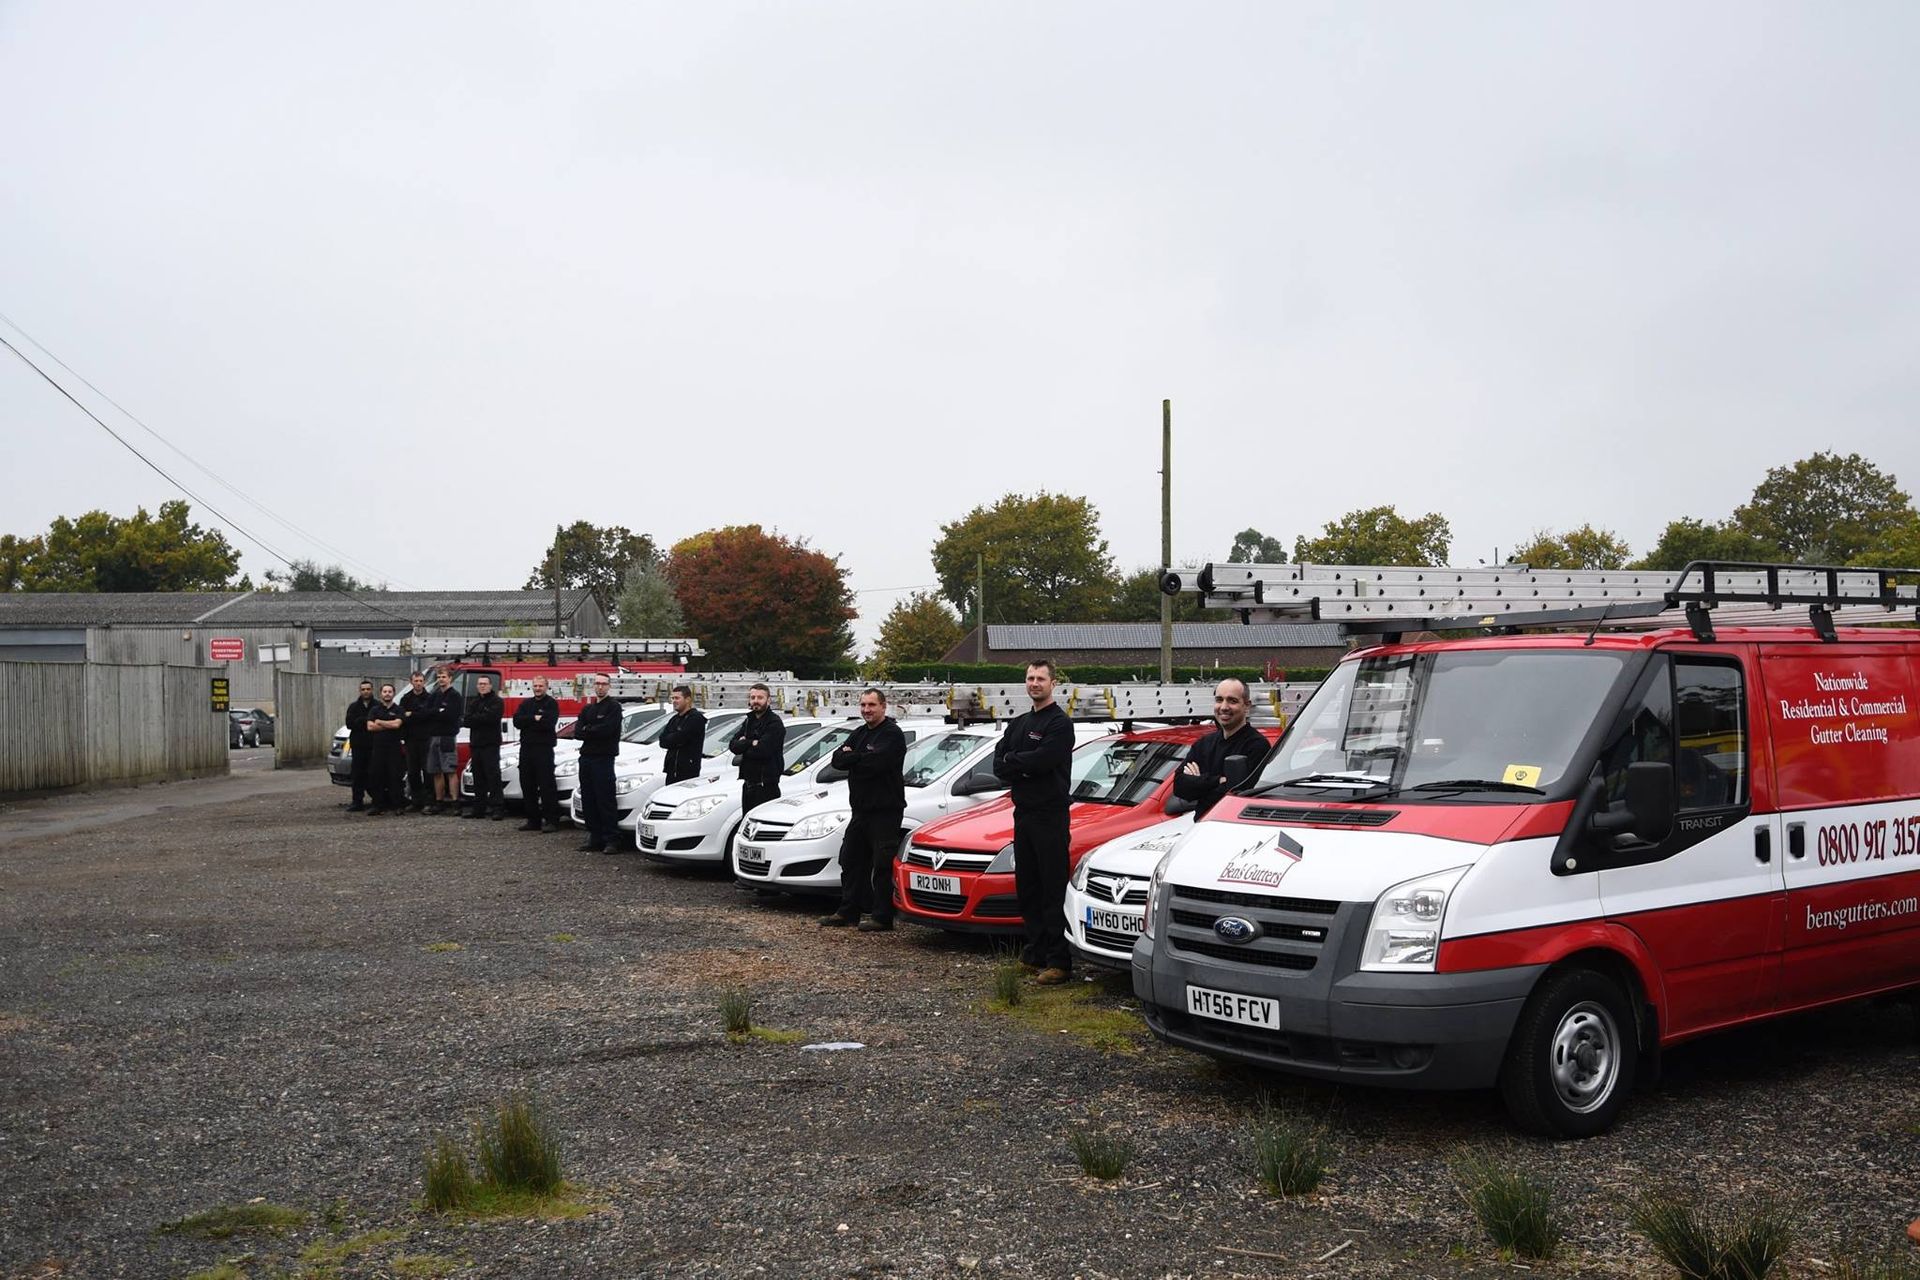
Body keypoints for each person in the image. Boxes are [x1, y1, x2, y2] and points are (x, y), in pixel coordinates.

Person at [993, 658, 1077, 984]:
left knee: (1051, 889)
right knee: (1027, 887)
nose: (1034, 683)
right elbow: (999, 763)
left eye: (1041, 678)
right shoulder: (1019, 723)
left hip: (1050, 816)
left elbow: (1044, 761)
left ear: (1053, 683)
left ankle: (1059, 962)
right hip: (1023, 815)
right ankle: (1036, 953)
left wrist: (1018, 762)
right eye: (1030, 678)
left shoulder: (1059, 724)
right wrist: (1019, 763)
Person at [820, 688, 907, 932]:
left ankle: (882, 916)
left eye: (871, 705)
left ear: (883, 706)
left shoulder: (892, 734)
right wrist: (856, 757)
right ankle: (848, 911)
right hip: (860, 811)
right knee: (850, 860)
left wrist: (853, 758)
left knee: (881, 864)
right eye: (863, 705)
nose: (867, 710)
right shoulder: (859, 733)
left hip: (885, 811)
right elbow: (837, 760)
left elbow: (877, 764)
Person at [1171, 678, 1270, 817]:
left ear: (1247, 706)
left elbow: (1234, 795)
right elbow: (1180, 787)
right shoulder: (1204, 744)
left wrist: (1198, 783)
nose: (1224, 707)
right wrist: (1217, 781)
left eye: (1232, 701)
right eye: (1219, 700)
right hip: (1202, 828)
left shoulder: (1257, 746)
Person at [573, 673, 624, 853]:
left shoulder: (614, 707)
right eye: (597, 684)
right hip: (586, 758)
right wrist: (591, 729)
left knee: (605, 799)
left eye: (603, 684)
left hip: (604, 758)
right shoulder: (588, 709)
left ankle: (612, 839)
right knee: (589, 799)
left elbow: (607, 731)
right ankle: (594, 837)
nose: (600, 687)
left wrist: (590, 729)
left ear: (609, 686)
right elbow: (577, 731)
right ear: (593, 686)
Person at [513, 674, 562, 834]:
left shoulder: (551, 704)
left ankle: (551, 820)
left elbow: (548, 723)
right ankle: (533, 820)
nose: (537, 688)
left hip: (544, 749)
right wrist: (534, 718)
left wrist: (529, 722)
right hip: (526, 749)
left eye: (540, 686)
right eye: (535, 686)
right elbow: (517, 721)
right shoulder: (526, 704)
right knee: (527, 785)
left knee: (546, 785)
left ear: (546, 687)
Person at [729, 683, 786, 816]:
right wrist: (752, 742)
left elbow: (763, 751)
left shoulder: (774, 723)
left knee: (763, 826)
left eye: (760, 697)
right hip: (748, 785)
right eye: (753, 697)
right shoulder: (749, 720)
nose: (756, 701)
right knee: (747, 822)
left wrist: (745, 744)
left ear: (768, 700)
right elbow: (733, 745)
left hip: (765, 786)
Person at [461, 674, 506, 819]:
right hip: (476, 744)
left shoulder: (497, 701)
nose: (482, 686)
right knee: (478, 776)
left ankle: (497, 808)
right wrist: (481, 717)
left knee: (493, 776)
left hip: (491, 744)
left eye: (485, 684)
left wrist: (477, 718)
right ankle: (479, 808)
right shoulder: (474, 702)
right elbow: (466, 720)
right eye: (480, 684)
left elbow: (492, 718)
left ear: (490, 685)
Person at [421, 667, 465, 815]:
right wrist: (437, 711)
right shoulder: (434, 695)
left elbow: (451, 716)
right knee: (436, 771)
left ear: (450, 678)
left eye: (444, 677)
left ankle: (455, 803)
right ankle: (439, 802)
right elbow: (425, 712)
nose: (441, 679)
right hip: (433, 737)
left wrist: (437, 713)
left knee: (450, 770)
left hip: (447, 737)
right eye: (439, 677)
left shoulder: (455, 696)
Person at [364, 683, 407, 815]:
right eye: (385, 691)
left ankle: (398, 805)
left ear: (393, 694)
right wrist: (389, 723)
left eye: (389, 691)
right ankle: (378, 805)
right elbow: (370, 727)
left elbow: (397, 724)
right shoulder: (375, 710)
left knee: (395, 776)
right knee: (377, 776)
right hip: (378, 748)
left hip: (394, 748)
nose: (387, 694)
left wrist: (380, 722)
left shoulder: (399, 709)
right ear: (381, 694)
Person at [397, 670, 433, 812]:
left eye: (420, 681)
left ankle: (429, 801)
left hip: (425, 739)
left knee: (428, 771)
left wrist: (412, 714)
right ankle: (416, 800)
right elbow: (402, 716)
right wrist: (417, 714)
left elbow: (428, 715)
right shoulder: (405, 699)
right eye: (416, 681)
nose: (418, 683)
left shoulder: (429, 698)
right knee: (413, 772)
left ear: (424, 682)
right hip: (410, 740)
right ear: (411, 682)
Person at [657, 684, 707, 785]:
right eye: (672, 698)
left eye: (677, 698)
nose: (674, 701)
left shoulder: (695, 718)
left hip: (687, 771)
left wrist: (673, 738)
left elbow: (681, 738)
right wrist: (673, 738)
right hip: (671, 770)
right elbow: (662, 741)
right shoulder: (674, 719)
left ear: (688, 699)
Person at [343, 680, 376, 812]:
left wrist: (362, 721)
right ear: (360, 691)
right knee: (357, 775)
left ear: (372, 690)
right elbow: (350, 723)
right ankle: (357, 801)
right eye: (363, 689)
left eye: (368, 689)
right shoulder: (353, 707)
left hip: (373, 745)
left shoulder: (377, 706)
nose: (366, 691)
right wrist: (367, 720)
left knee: (374, 774)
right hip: (358, 746)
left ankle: (376, 800)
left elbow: (379, 721)